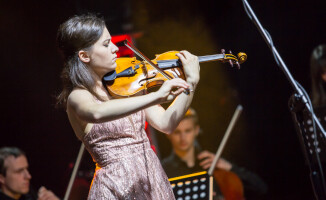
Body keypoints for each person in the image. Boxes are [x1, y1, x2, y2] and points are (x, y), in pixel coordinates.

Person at [56, 13, 200, 199]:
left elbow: (166, 123)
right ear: (84, 55)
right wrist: (157, 96)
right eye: (106, 44)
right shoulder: (78, 97)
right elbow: (97, 113)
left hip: (151, 181)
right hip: (115, 188)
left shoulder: (128, 85)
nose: (115, 48)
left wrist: (191, 83)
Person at [161, 108, 268, 199]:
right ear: (168, 134)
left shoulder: (213, 163)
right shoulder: (163, 170)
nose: (183, 138)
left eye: (188, 130)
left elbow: (260, 188)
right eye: (177, 132)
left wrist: (229, 167)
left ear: (196, 130)